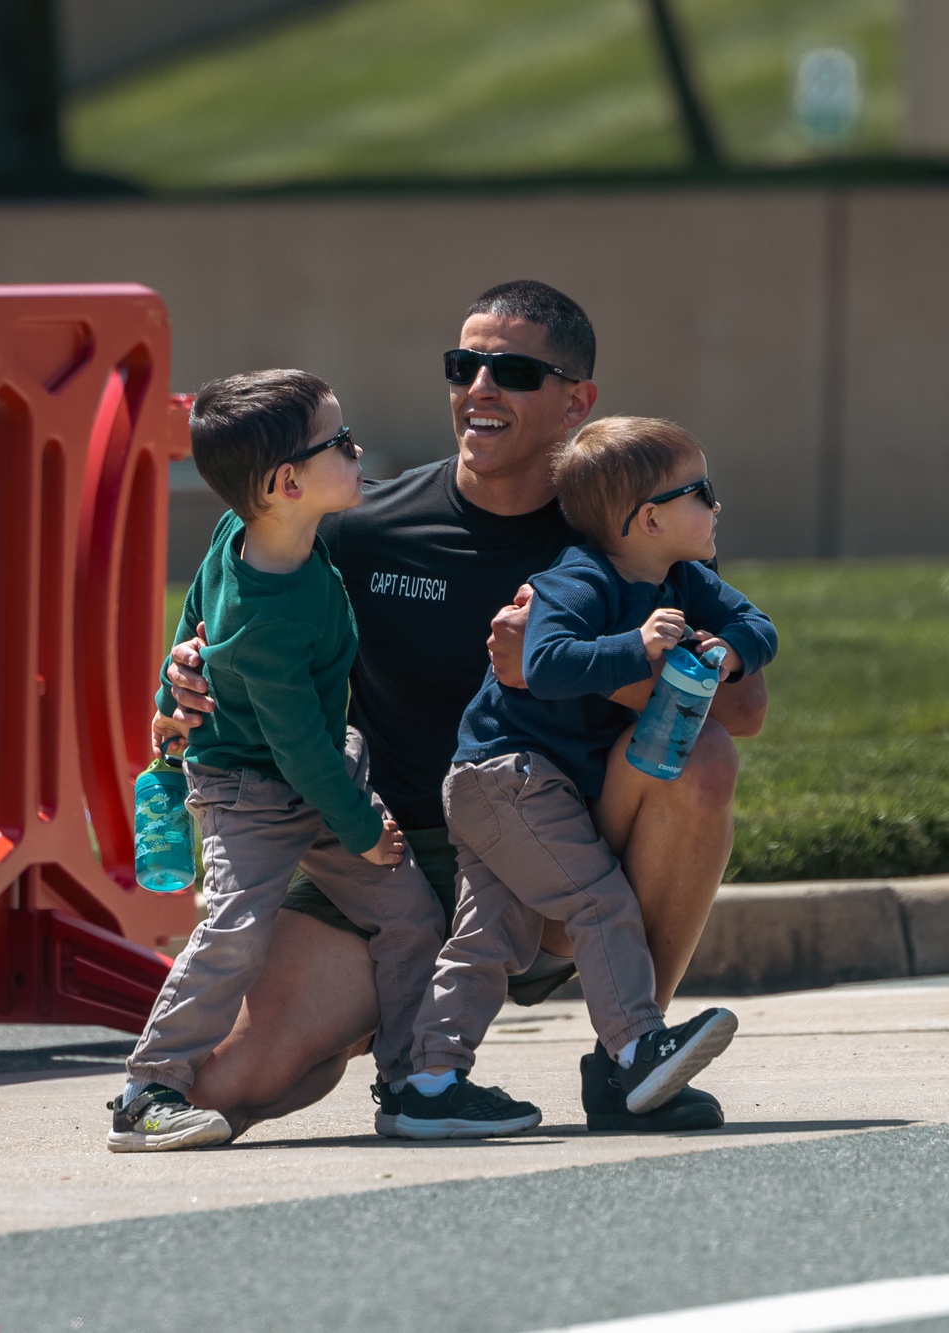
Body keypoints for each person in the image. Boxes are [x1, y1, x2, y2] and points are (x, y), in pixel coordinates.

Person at [165, 281, 769, 1137]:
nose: (480, 388)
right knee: (236, 1083)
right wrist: (191, 669)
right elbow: (234, 607)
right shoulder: (361, 524)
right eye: (465, 365)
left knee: (702, 759)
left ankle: (632, 1056)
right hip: (391, 862)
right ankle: (403, 1032)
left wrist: (559, 667)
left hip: (561, 854)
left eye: (515, 371)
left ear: (576, 401)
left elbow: (742, 707)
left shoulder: (620, 533)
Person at [395, 416, 777, 1138]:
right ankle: (634, 1048)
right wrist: (633, 647)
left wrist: (729, 648)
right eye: (703, 492)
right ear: (650, 517)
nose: (717, 506)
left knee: (486, 941)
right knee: (600, 902)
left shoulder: (687, 578)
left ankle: (430, 1082)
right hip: (504, 776)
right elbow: (544, 664)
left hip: (529, 787)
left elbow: (759, 625)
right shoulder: (575, 579)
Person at [108, 370, 443, 1151]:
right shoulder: (271, 616)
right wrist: (361, 828)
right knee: (236, 931)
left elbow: (194, 609)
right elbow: (300, 750)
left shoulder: (243, 532)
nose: (357, 449)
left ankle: (409, 1081)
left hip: (311, 782)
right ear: (290, 482)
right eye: (341, 442)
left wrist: (178, 662)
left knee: (410, 915)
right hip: (255, 793)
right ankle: (147, 1089)